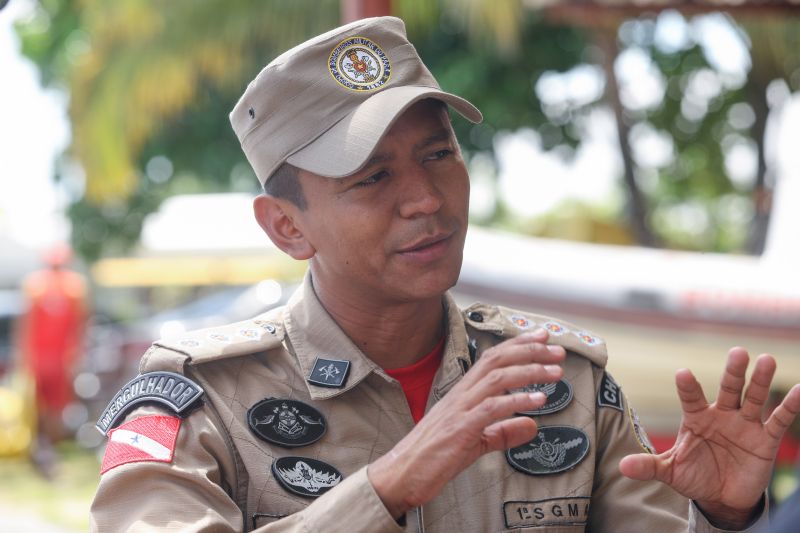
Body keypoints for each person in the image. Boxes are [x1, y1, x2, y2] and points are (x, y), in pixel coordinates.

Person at [90, 17, 800, 532]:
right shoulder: (200, 400)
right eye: (372, 177)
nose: (427, 199)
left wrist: (719, 513)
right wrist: (393, 482)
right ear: (287, 225)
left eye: (438, 155)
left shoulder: (563, 380)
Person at [18, 243, 88, 469]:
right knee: (39, 405)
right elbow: (27, 325)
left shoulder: (72, 287)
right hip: (42, 359)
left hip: (59, 359)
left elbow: (79, 325)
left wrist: (76, 354)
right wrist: (25, 355)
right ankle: (42, 448)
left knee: (55, 407)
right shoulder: (38, 286)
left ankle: (49, 450)